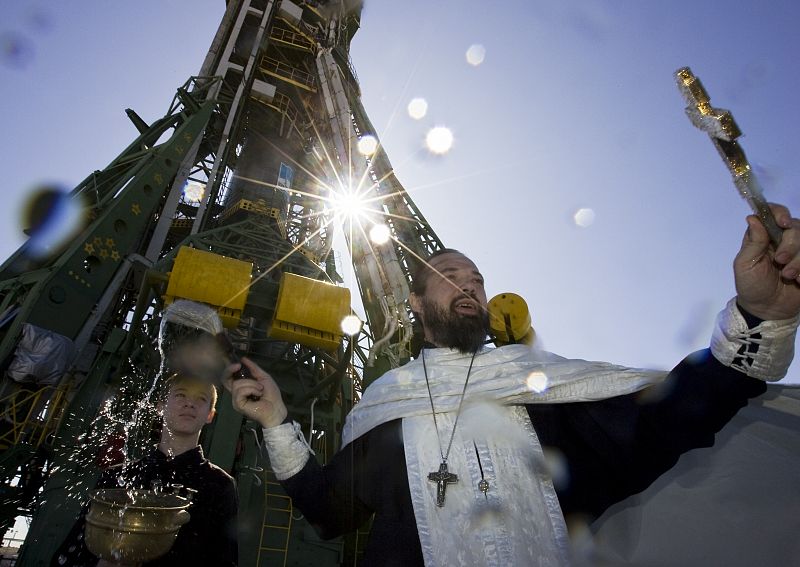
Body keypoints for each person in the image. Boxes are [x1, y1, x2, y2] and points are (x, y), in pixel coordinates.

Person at [228, 204, 800, 566]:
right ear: (416, 303)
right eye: (450, 277)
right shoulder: (386, 407)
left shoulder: (542, 389)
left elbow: (666, 421)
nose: (469, 286)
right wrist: (279, 423)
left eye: (476, 277)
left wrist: (759, 315)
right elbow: (330, 510)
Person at [52, 373, 238, 567]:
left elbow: (225, 560)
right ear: (160, 407)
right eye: (180, 395)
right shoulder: (117, 475)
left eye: (200, 399)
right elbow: (70, 553)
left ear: (210, 415)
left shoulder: (221, 485)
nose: (189, 404)